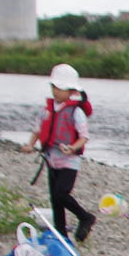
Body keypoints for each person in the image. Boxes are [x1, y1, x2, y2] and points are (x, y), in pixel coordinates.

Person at [22, 63, 96, 244]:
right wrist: (30, 144)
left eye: (60, 88)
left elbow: (84, 137)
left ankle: (85, 216)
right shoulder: (47, 109)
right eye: (54, 87)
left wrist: (72, 147)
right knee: (55, 199)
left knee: (62, 193)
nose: (56, 91)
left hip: (69, 161)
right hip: (51, 159)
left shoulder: (76, 111)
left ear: (71, 91)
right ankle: (61, 235)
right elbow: (38, 128)